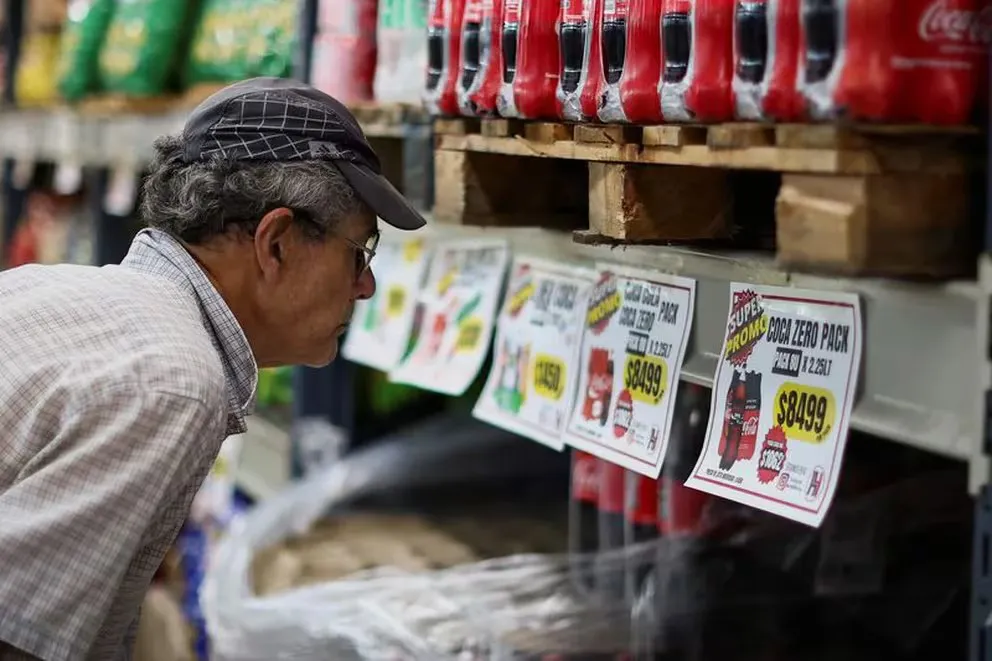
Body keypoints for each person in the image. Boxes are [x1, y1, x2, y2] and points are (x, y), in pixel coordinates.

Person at [0, 77, 426, 661]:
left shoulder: (50, 288)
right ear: (275, 242)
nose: (366, 286)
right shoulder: (173, 382)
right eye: (359, 253)